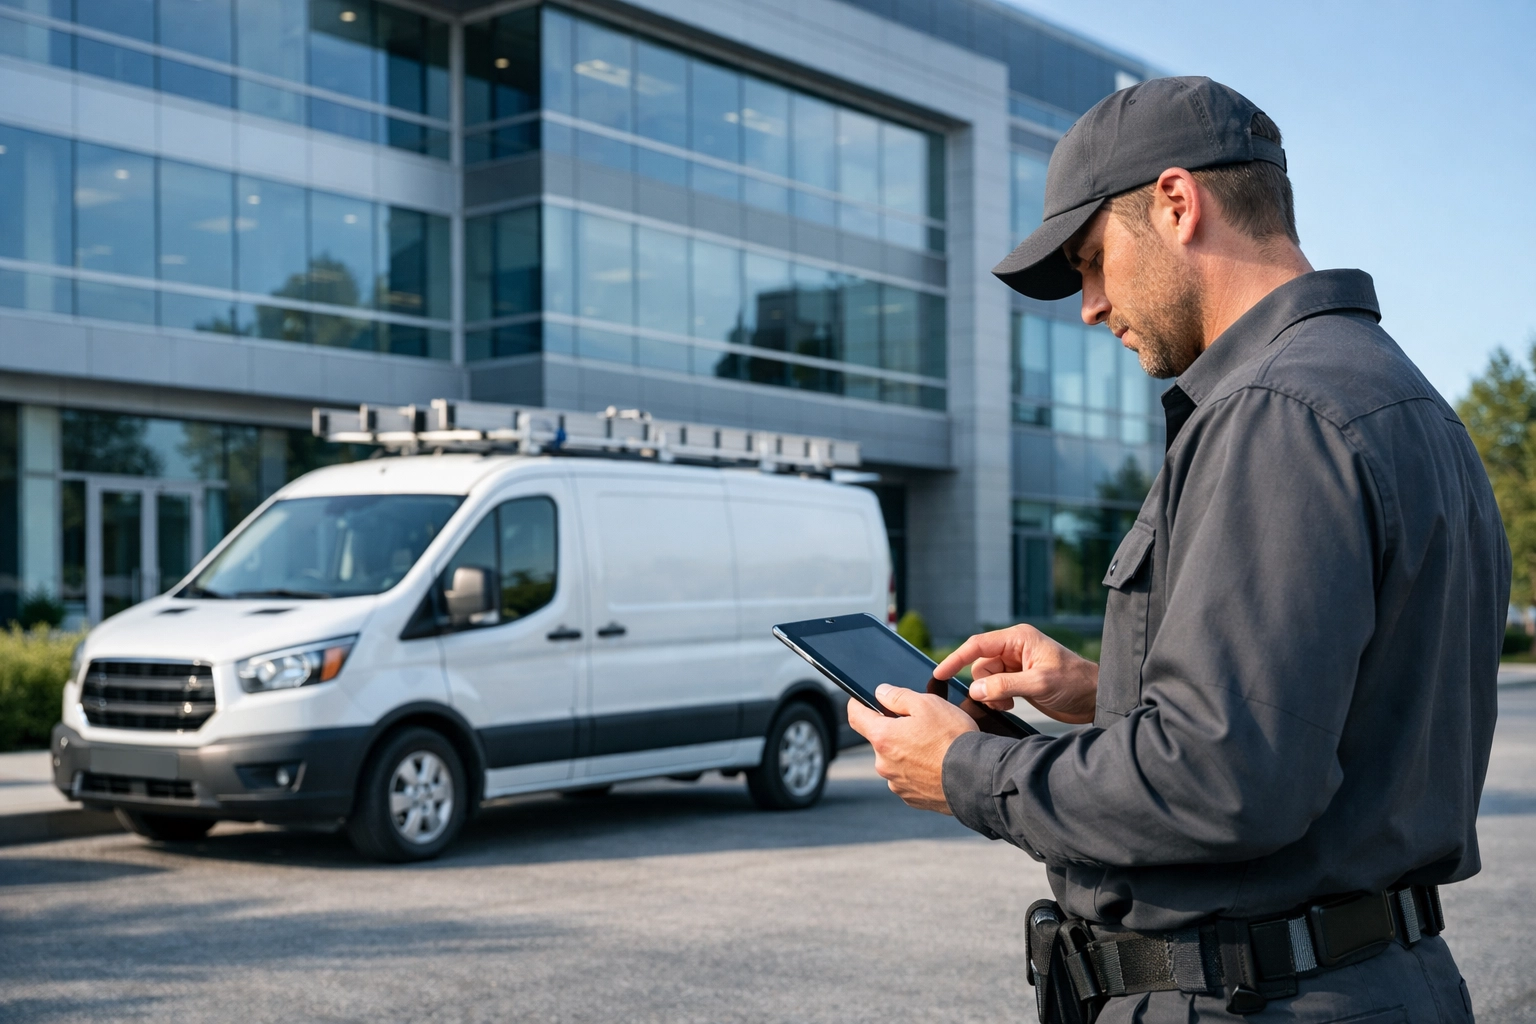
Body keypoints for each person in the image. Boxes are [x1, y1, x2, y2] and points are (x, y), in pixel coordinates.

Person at [847, 77, 1505, 1022]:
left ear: (1176, 202)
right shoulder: (1397, 397)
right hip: (1356, 981)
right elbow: (1337, 708)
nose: (1088, 304)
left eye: (1090, 261)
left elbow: (1224, 781)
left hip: (1262, 994)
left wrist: (966, 772)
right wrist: (1108, 687)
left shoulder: (1274, 413)